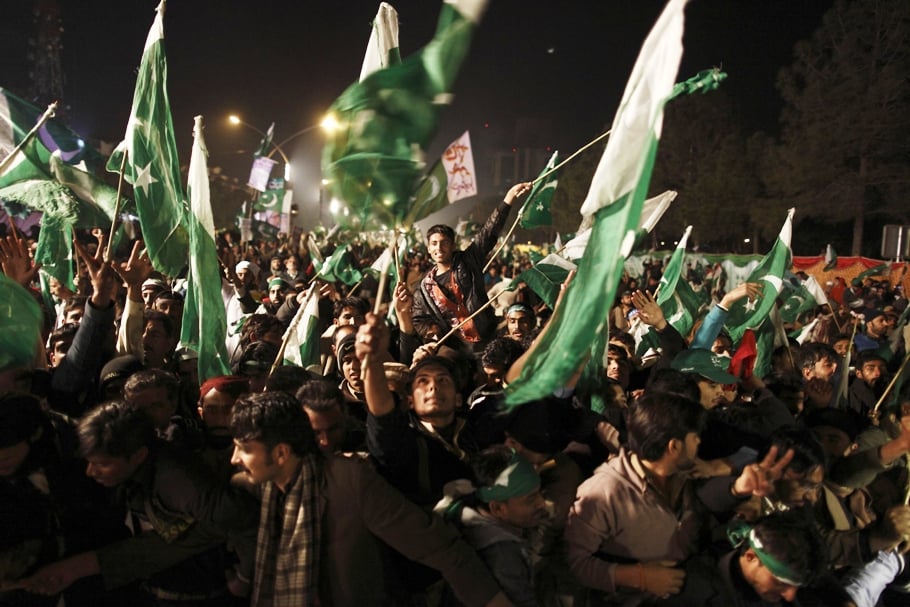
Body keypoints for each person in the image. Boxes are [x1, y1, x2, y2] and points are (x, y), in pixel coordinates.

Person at [228, 391, 513, 607]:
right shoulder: (263, 488)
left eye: (244, 449)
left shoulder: (350, 481)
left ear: (280, 454)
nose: (234, 458)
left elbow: (441, 547)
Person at [564, 393, 794, 605]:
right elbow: (575, 564)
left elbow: (707, 499)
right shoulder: (603, 492)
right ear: (674, 446)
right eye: (695, 438)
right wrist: (640, 576)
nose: (699, 443)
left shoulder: (684, 473)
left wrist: (738, 489)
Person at [412, 182, 531, 347]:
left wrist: (509, 198)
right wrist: (433, 330)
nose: (438, 247)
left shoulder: (468, 261)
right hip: (454, 346)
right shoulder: (424, 287)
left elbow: (488, 233)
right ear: (428, 247)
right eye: (434, 243)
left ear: (453, 245)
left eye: (444, 243)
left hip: (487, 336)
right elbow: (419, 319)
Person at [436, 446, 548, 607]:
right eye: (531, 499)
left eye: (539, 493)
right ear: (497, 508)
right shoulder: (502, 555)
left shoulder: (465, 514)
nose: (542, 503)